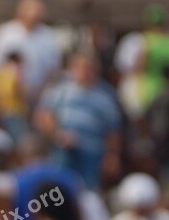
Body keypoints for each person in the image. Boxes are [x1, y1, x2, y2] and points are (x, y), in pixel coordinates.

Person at [35, 52, 122, 190]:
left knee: (87, 191)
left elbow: (113, 130)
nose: (85, 71)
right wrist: (58, 134)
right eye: (81, 67)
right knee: (60, 190)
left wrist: (112, 156)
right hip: (63, 149)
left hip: (92, 151)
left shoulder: (105, 96)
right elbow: (43, 115)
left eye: (89, 67)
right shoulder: (60, 91)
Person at [0, 0, 61, 104]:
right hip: (8, 99)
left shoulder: (48, 36)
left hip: (38, 97)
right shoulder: (5, 33)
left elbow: (53, 70)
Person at [0, 52, 29, 143]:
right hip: (16, 110)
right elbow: (19, 91)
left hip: (2, 110)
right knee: (20, 140)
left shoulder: (0, 72)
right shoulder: (15, 72)